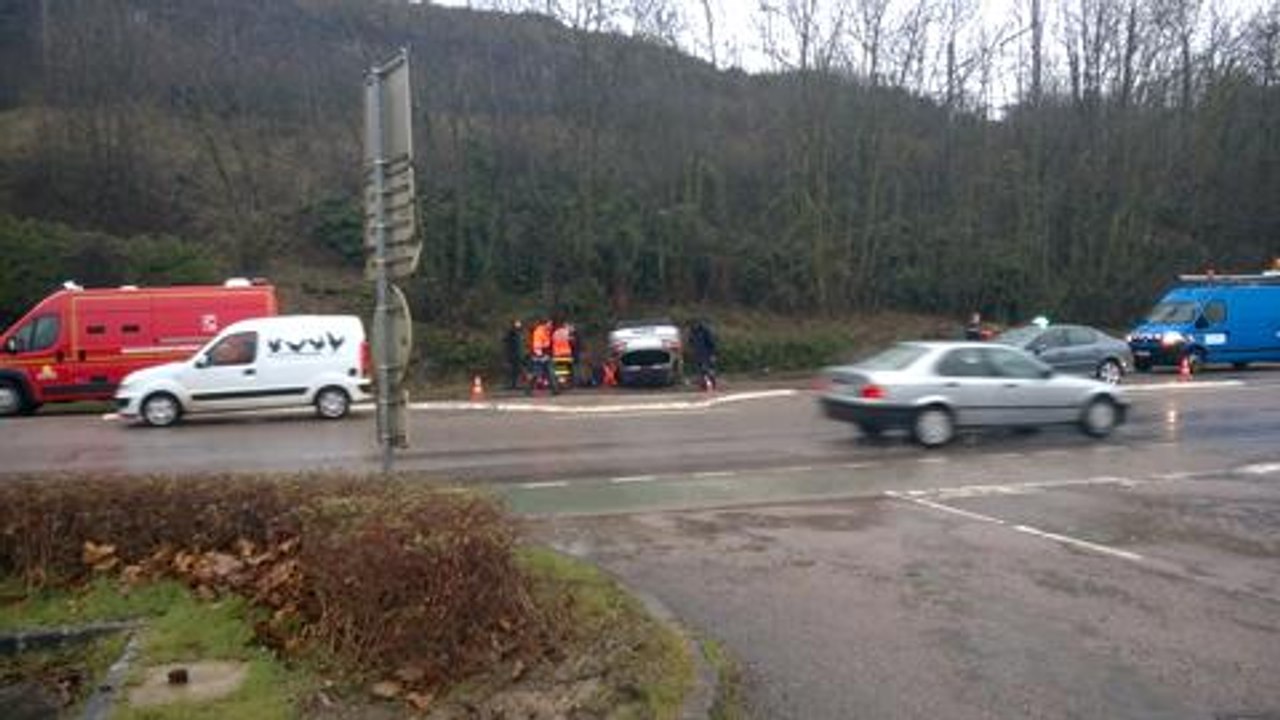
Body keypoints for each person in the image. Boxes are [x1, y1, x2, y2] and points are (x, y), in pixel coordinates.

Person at [528, 318, 558, 395]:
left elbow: (548, 344)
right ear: (545, 324)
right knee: (536, 374)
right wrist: (541, 356)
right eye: (550, 324)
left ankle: (555, 390)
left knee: (551, 373)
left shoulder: (547, 331)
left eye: (551, 324)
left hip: (545, 354)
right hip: (539, 356)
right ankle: (528, 390)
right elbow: (537, 346)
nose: (551, 325)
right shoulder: (539, 332)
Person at [689, 319, 718, 390]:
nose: (694, 326)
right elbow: (691, 342)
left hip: (707, 354)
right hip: (698, 355)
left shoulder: (705, 332)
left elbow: (712, 344)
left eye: (695, 324)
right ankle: (704, 385)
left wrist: (713, 354)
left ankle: (712, 384)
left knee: (708, 370)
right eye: (693, 325)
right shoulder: (693, 333)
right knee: (701, 371)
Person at [504, 319, 524, 390]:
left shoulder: (520, 333)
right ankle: (511, 384)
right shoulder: (511, 332)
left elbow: (521, 345)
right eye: (517, 323)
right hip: (512, 354)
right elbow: (506, 342)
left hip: (518, 354)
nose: (519, 324)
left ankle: (515, 384)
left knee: (517, 370)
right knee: (511, 370)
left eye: (519, 323)